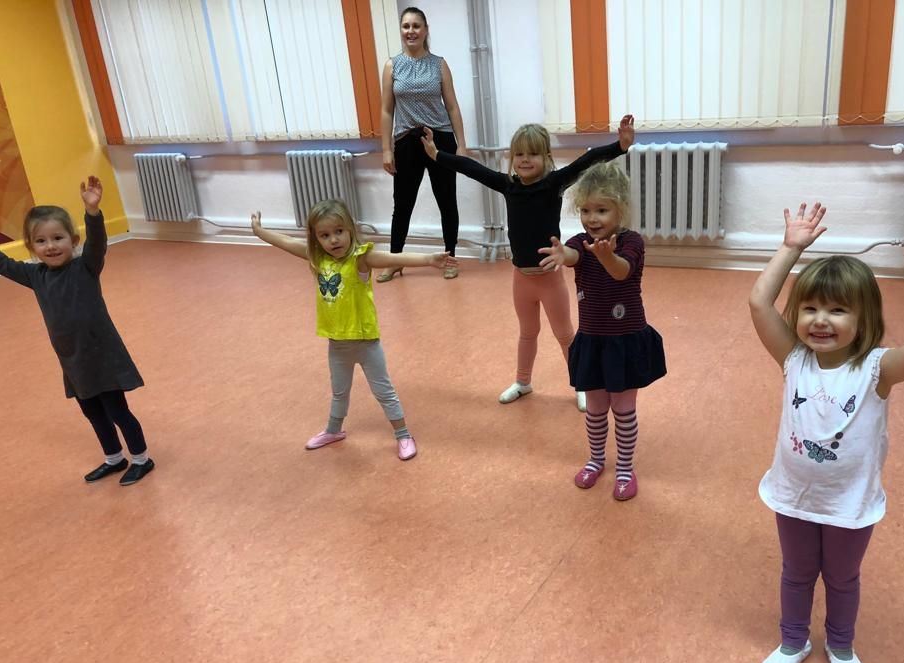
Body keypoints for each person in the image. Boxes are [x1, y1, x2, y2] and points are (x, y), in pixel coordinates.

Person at [749, 202, 904, 663]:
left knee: (841, 578)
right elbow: (759, 304)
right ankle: (793, 641)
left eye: (837, 310)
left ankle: (840, 645)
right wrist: (790, 249)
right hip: (794, 496)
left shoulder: (877, 369)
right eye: (811, 308)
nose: (821, 320)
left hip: (849, 502)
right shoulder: (793, 358)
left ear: (864, 318)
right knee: (796, 573)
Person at [423, 115, 636, 411]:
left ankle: (581, 384)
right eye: (519, 154)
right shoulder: (509, 185)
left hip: (549, 279)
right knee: (527, 332)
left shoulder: (553, 183)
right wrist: (437, 155)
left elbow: (586, 161)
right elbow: (472, 169)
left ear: (546, 156)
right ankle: (523, 382)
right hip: (521, 278)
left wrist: (620, 146)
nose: (525, 160)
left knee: (564, 334)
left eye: (533, 153)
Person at [250, 200, 456, 459]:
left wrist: (427, 259)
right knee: (339, 392)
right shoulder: (318, 258)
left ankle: (403, 434)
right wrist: (260, 231)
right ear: (316, 239)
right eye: (325, 235)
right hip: (337, 344)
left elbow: (392, 258)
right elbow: (288, 242)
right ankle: (333, 430)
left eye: (339, 231)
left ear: (350, 229)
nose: (334, 240)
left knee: (384, 392)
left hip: (366, 343)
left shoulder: (360, 259)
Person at [0, 177, 155, 485]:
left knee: (117, 411)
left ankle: (142, 459)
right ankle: (114, 458)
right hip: (72, 361)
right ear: (31, 246)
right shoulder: (35, 276)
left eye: (58, 238)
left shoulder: (86, 267)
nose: (50, 246)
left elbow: (98, 242)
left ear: (73, 240)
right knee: (93, 413)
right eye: (41, 241)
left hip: (103, 357)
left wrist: (93, 211)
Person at [537, 160, 666, 500]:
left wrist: (606, 256)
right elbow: (573, 255)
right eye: (585, 210)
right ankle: (596, 460)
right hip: (593, 341)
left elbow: (621, 271)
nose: (592, 219)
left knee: (623, 409)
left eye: (601, 210)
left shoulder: (631, 242)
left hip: (625, 342)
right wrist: (562, 254)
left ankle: (624, 467)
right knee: (595, 409)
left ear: (620, 210)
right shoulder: (582, 242)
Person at [377, 6, 466, 282]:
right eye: (406, 26)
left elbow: (452, 106)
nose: (411, 31)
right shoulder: (392, 66)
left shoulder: (439, 64)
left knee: (447, 202)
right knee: (402, 205)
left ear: (425, 30)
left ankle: (450, 259)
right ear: (401, 31)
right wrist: (386, 149)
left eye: (416, 26)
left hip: (439, 139)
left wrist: (461, 145)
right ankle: (395, 260)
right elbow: (386, 111)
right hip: (406, 140)